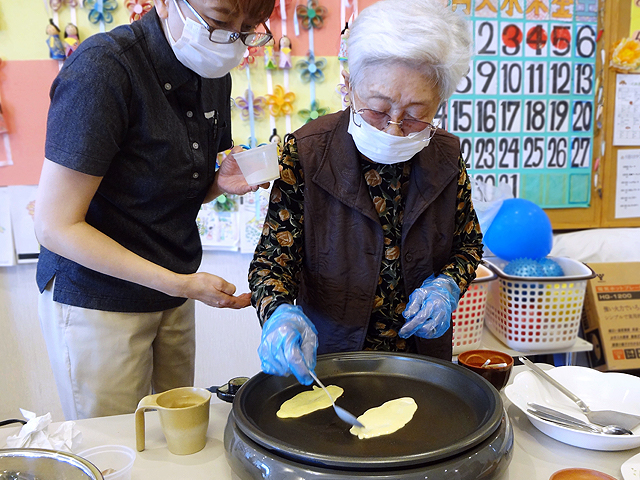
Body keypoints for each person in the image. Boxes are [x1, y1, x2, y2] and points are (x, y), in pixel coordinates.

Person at [34, 0, 275, 420]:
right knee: (114, 445)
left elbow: (165, 191)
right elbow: (55, 225)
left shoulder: (210, 72)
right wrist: (179, 284)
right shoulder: (104, 69)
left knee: (176, 435)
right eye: (219, 23)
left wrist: (218, 183)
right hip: (100, 298)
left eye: (248, 29)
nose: (232, 42)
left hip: (174, 288)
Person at [249, 0, 482, 385]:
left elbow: (468, 244)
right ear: (348, 85)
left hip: (423, 365)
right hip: (330, 361)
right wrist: (277, 314)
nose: (393, 129)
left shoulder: (446, 156)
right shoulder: (306, 153)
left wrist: (448, 285)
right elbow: (272, 263)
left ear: (440, 102)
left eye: (414, 115)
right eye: (377, 109)